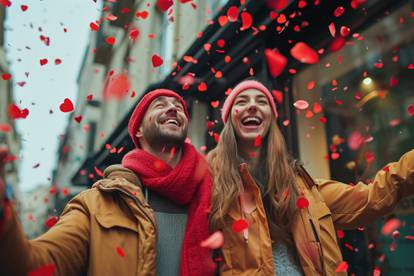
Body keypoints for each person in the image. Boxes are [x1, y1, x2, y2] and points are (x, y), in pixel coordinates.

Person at [206, 79, 414, 276]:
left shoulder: (303, 188)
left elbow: (371, 197)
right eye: (242, 101)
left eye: (262, 102)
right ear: (229, 119)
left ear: (271, 120)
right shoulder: (209, 182)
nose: (252, 106)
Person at [0, 89, 215, 276]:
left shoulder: (215, 197)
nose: (173, 109)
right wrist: (3, 215)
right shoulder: (95, 205)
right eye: (160, 105)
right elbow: (40, 265)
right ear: (138, 130)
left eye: (178, 106)